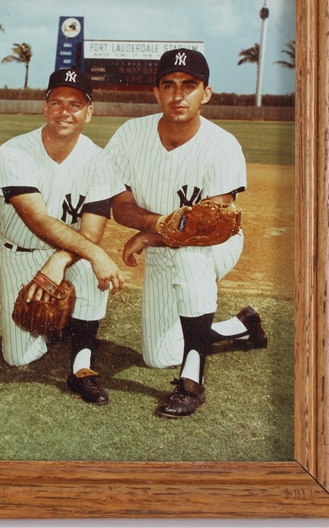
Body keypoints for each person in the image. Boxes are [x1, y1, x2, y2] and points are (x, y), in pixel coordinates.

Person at [104, 48, 268, 418]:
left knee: (192, 259)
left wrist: (147, 236)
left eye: (189, 85)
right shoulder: (131, 135)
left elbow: (209, 227)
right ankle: (240, 326)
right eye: (169, 85)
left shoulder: (223, 145)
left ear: (205, 93)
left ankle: (192, 382)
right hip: (164, 249)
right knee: (157, 356)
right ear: (157, 93)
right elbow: (121, 206)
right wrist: (157, 228)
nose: (179, 95)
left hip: (215, 246)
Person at [0, 68, 125, 405]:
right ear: (45, 107)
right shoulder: (15, 151)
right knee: (18, 357)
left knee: (92, 269)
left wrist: (62, 258)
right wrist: (90, 252)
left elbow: (91, 232)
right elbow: (36, 218)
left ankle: (82, 367)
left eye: (75, 104)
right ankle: (60, 328)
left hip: (68, 253)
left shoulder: (100, 160)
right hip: (20, 251)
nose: (66, 111)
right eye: (58, 102)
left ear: (88, 113)